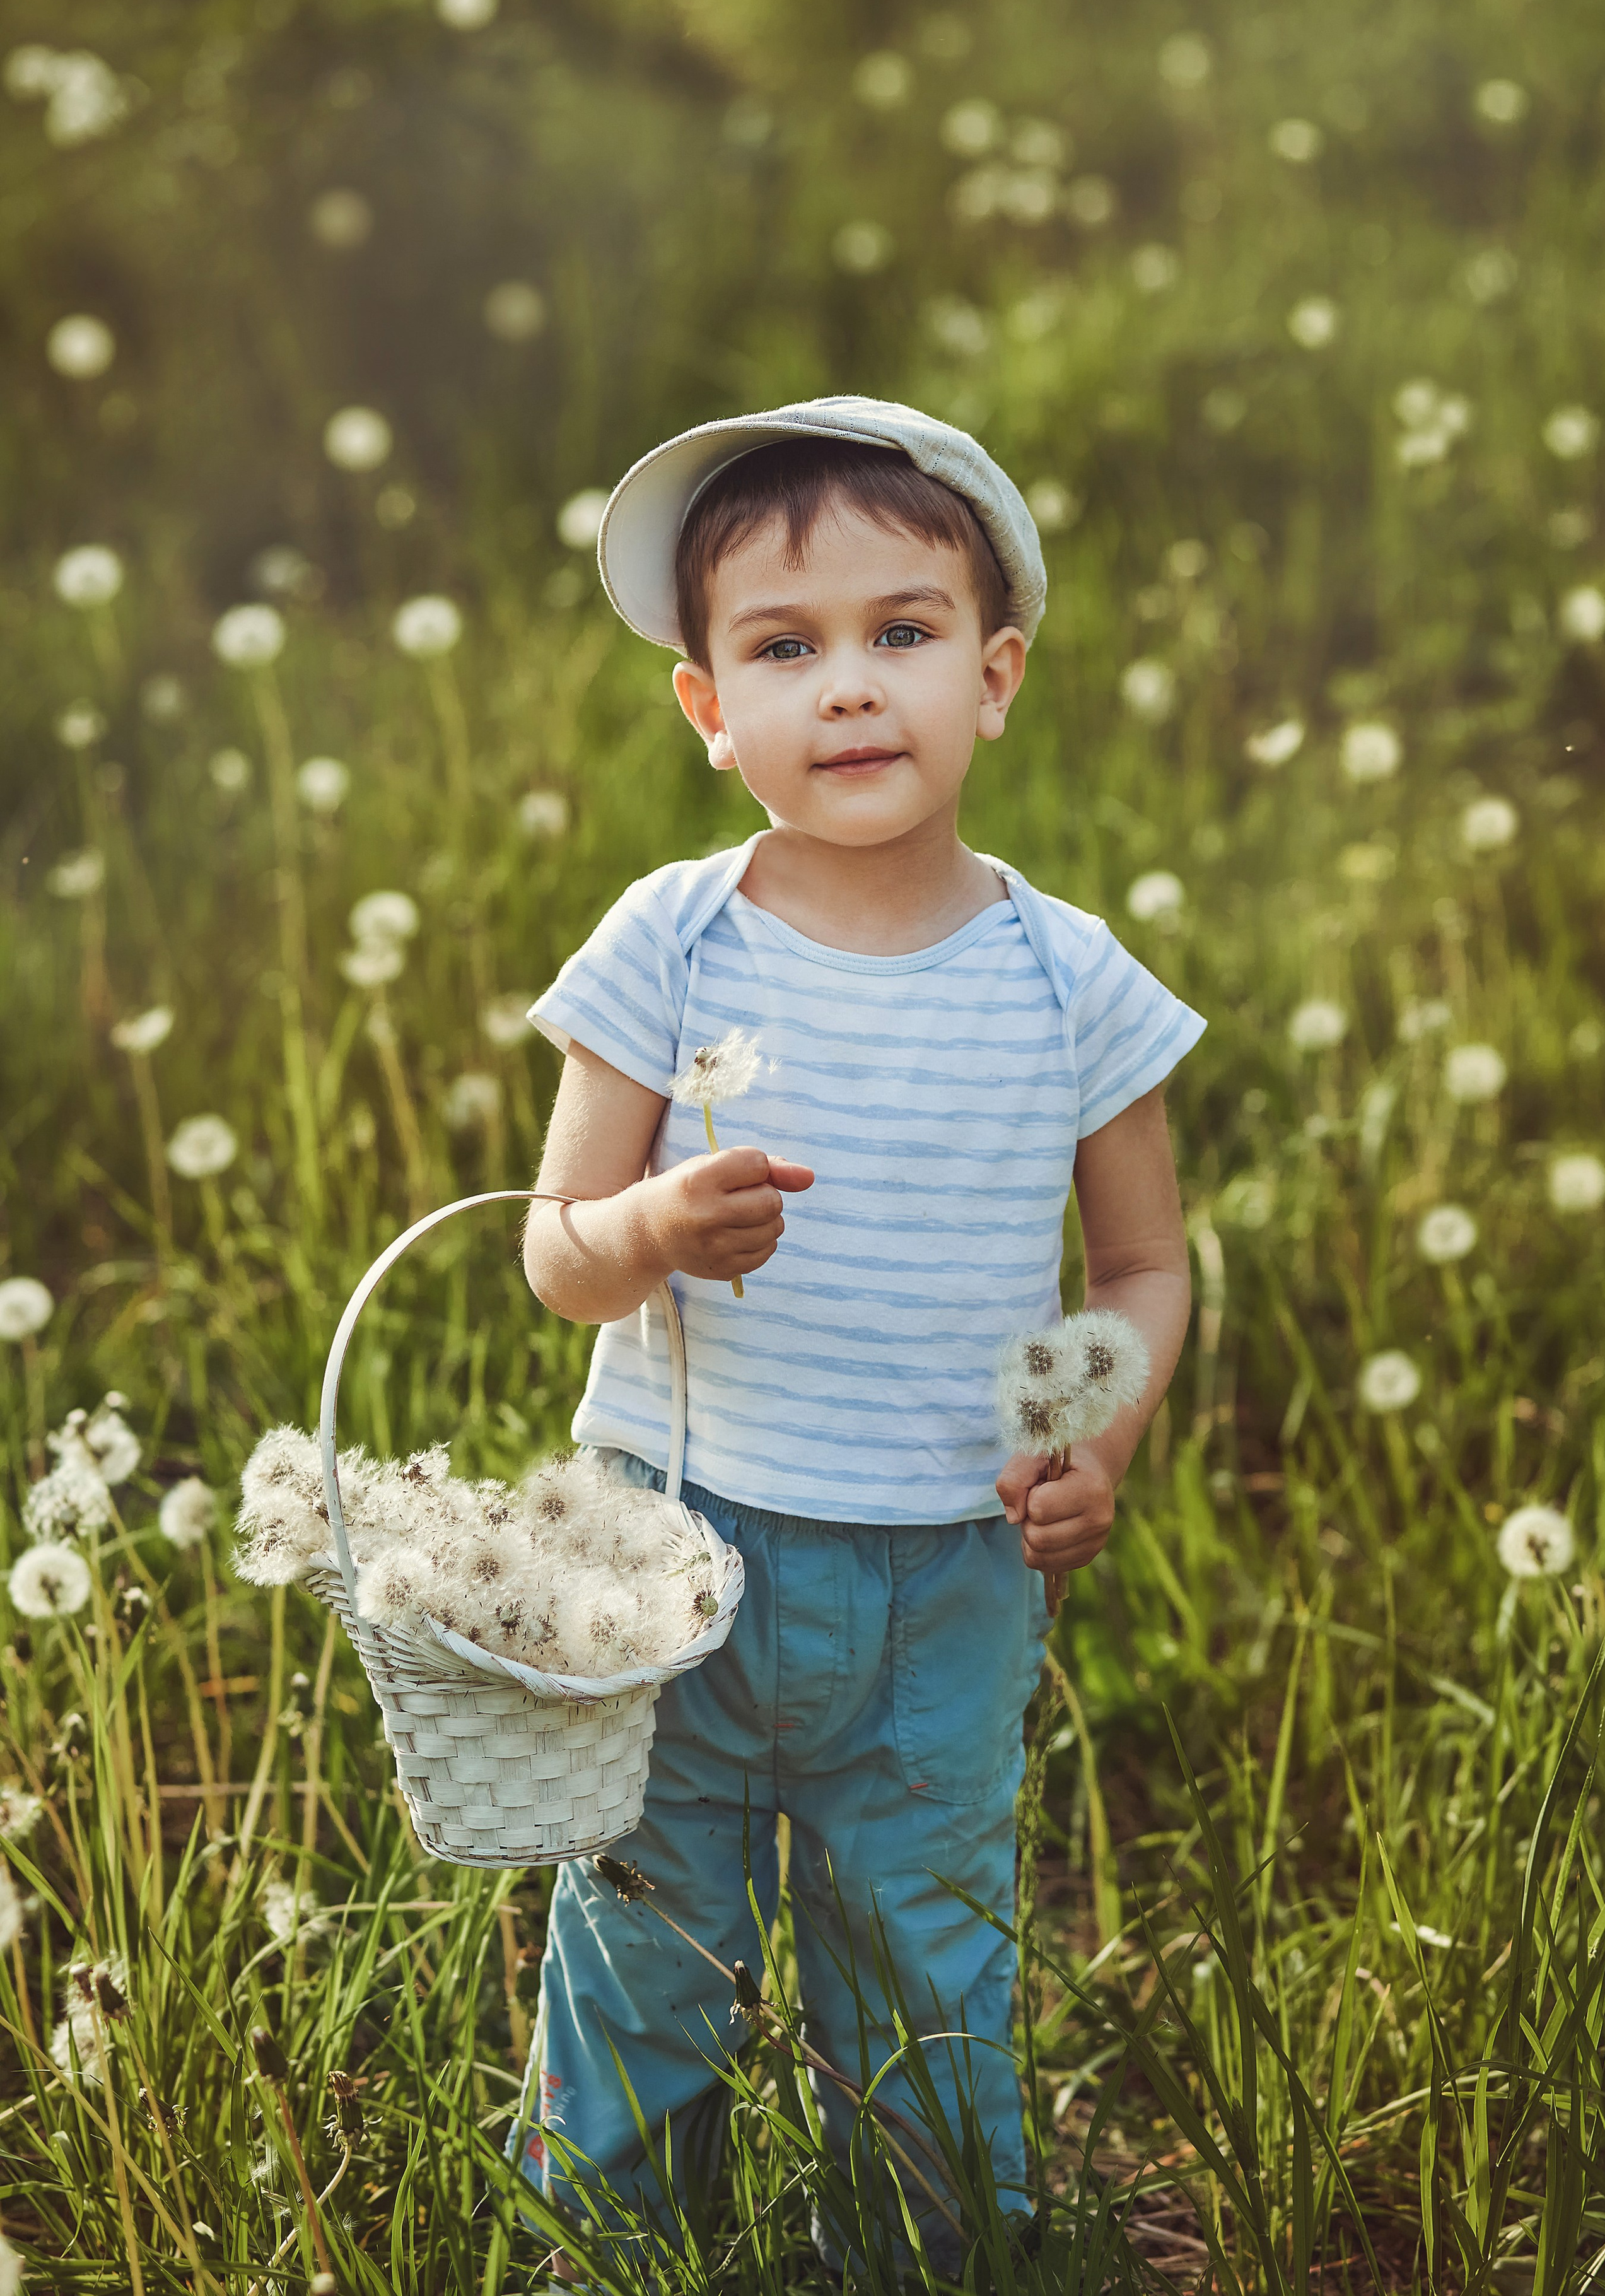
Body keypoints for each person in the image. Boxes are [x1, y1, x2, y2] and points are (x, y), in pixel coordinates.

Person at [510, 397, 1203, 2278]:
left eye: (902, 632)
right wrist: (650, 1228)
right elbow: (556, 1253)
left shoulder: (1068, 976)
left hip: (947, 1571)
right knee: (643, 1938)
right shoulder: (669, 940)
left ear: (996, 676)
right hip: (669, 1550)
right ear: (706, 709)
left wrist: (1096, 1437)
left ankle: (925, 2249)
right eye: (782, 648)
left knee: (921, 1955)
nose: (848, 687)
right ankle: (618, 2250)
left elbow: (1143, 1265)